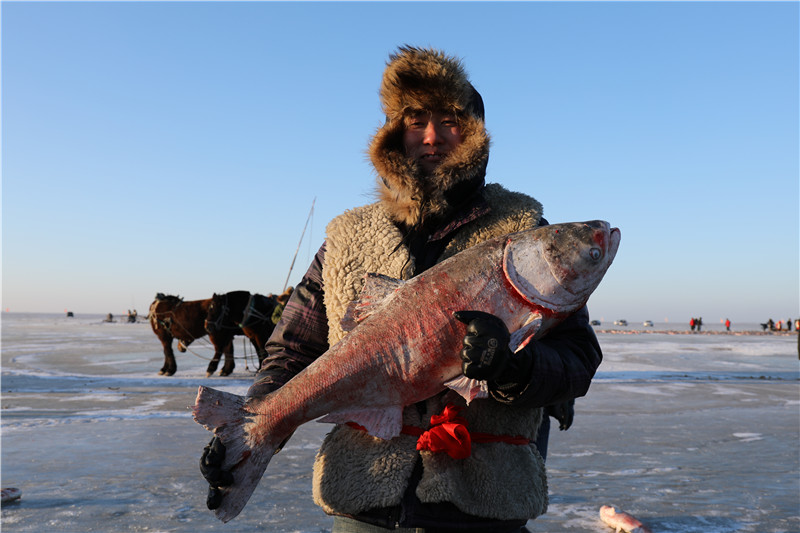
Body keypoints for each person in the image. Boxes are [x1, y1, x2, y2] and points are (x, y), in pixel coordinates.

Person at [200, 46, 602, 532]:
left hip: (486, 506)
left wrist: (513, 367)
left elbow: (578, 361)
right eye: (415, 119)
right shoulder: (348, 235)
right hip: (362, 501)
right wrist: (255, 421)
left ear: (474, 132)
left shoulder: (528, 238)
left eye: (451, 119)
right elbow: (293, 348)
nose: (431, 136)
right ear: (394, 132)